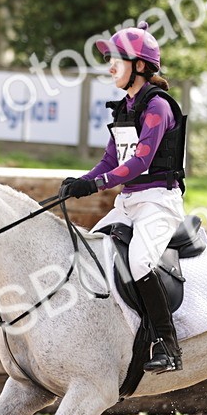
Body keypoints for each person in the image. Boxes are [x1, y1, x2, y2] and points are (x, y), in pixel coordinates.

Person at [59, 22, 188, 374]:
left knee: (141, 262)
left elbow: (140, 162)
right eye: (109, 59)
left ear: (141, 66)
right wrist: (80, 182)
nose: (110, 66)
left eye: (117, 59)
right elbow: (110, 160)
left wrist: (96, 184)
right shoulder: (125, 107)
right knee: (88, 255)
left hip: (158, 202)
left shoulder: (158, 107)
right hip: (129, 203)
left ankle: (167, 343)